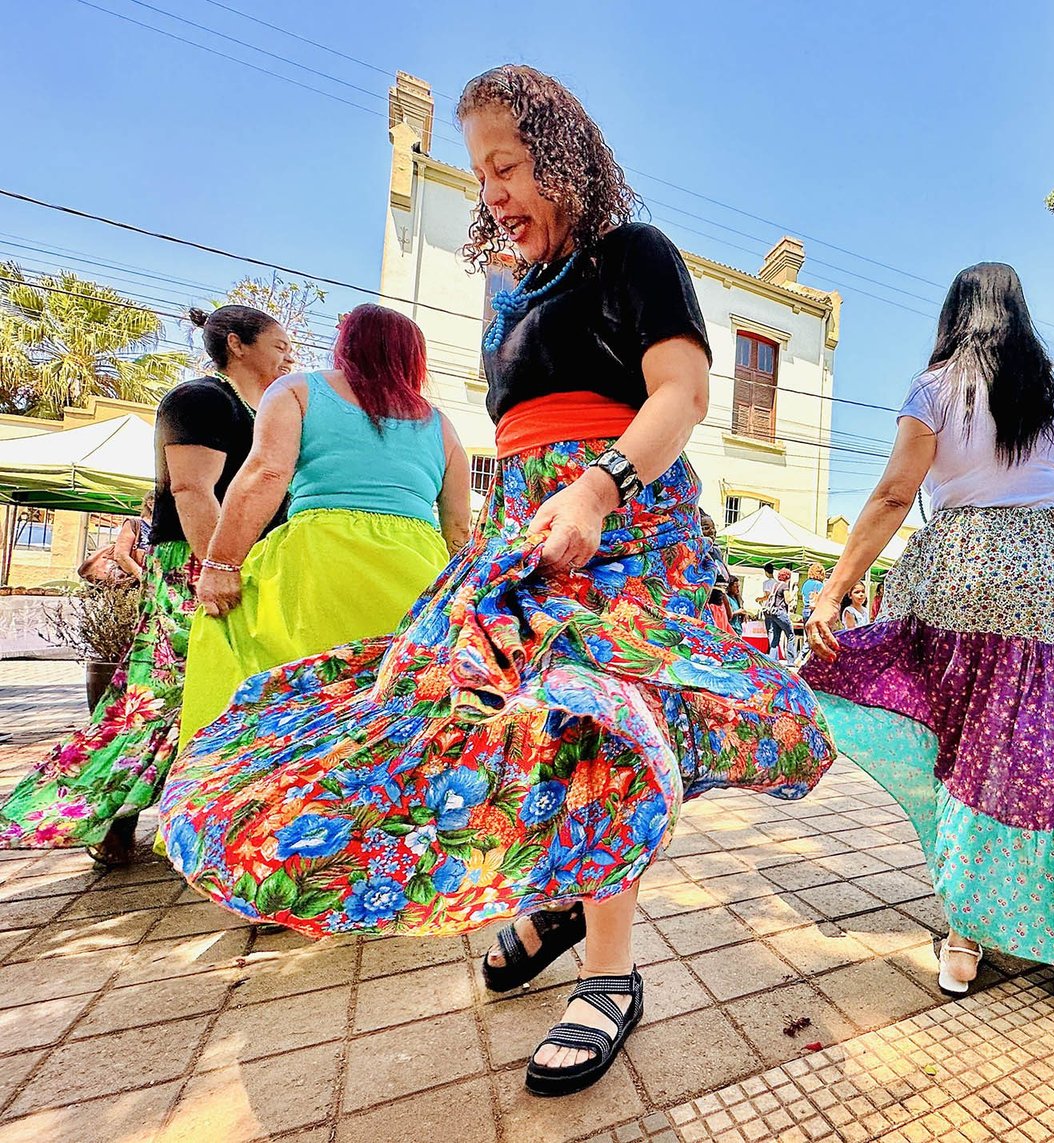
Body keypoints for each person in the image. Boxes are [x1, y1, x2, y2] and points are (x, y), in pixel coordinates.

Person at [155, 65, 833, 1099]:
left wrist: (601, 490)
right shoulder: (514, 291)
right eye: (481, 175)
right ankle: (565, 898)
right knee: (439, 706)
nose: (495, 192)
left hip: (623, 529)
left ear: (560, 156)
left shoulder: (631, 254)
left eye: (508, 165)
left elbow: (684, 391)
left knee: (593, 725)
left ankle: (609, 973)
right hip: (527, 528)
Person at [802, 263, 1054, 1033]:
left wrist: (835, 591)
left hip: (955, 577)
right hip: (1041, 592)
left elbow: (891, 494)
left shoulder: (936, 385)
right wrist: (1034, 552)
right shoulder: (1049, 395)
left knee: (961, 754)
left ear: (954, 315)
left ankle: (965, 939)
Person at [0, 306, 293, 864]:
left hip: (235, 561)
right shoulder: (201, 400)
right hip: (197, 561)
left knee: (190, 696)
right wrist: (220, 566)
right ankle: (105, 819)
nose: (289, 356)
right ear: (237, 344)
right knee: (162, 699)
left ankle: (144, 824)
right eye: (278, 345)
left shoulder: (262, 410)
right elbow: (191, 490)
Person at [174, 304, 471, 748]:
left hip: (320, 561)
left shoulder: (296, 390)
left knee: (279, 684)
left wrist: (221, 563)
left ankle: (244, 796)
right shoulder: (442, 426)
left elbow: (266, 475)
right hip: (418, 575)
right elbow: (458, 531)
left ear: (345, 346)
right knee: (394, 714)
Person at [758, 565, 796, 662]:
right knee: (791, 635)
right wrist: (795, 592)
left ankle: (772, 660)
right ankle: (791, 661)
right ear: (788, 577)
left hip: (773, 613)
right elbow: (788, 600)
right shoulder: (784, 586)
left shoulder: (775, 585)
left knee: (775, 638)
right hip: (781, 613)